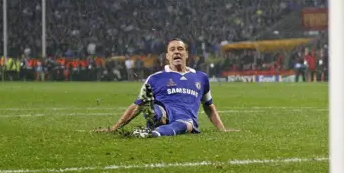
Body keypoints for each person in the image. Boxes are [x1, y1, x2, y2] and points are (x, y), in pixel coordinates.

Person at [96, 39, 238, 137]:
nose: (177, 52)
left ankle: (151, 131)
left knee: (186, 125)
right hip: (163, 112)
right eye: (172, 49)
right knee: (151, 108)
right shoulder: (155, 78)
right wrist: (115, 128)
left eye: (180, 49)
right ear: (167, 56)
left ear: (187, 54)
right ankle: (154, 119)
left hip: (185, 119)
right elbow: (136, 105)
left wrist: (223, 130)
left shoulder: (201, 77)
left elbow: (209, 106)